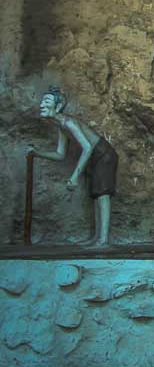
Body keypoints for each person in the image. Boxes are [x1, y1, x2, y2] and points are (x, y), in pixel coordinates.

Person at [26, 86, 117, 247]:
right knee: (97, 196)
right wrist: (37, 153)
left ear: (58, 106)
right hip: (96, 159)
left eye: (46, 101)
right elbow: (60, 154)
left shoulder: (69, 122)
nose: (41, 105)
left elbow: (87, 147)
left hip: (104, 155)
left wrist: (74, 177)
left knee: (102, 195)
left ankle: (104, 241)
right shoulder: (61, 126)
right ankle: (97, 238)